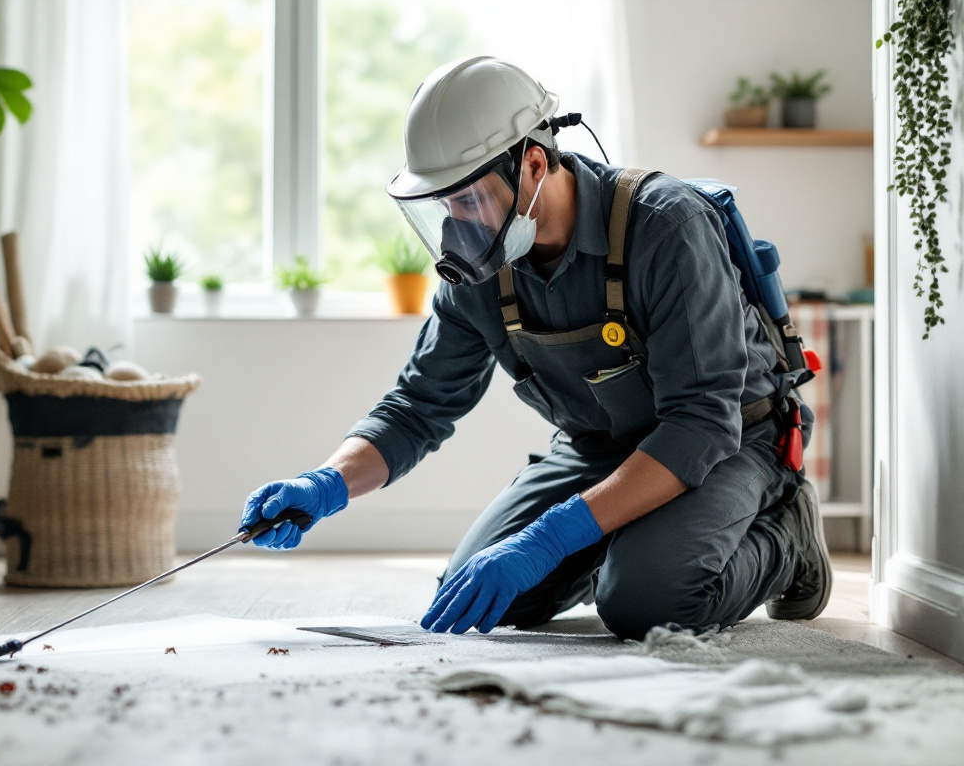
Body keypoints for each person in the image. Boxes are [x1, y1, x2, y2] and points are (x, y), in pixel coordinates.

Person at [237, 56, 831, 640]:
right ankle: (635, 536)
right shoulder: (480, 263)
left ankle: (789, 537)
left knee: (644, 602)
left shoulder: (665, 226)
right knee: (479, 593)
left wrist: (550, 538)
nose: (457, 223)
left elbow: (701, 423)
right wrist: (327, 483)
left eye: (468, 199)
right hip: (599, 448)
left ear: (534, 164)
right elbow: (419, 406)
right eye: (443, 205)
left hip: (732, 440)